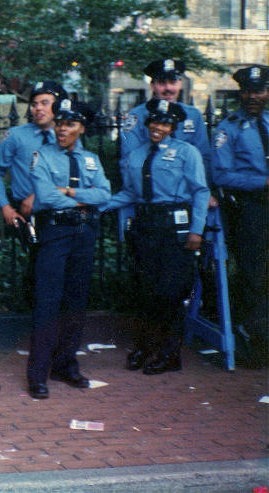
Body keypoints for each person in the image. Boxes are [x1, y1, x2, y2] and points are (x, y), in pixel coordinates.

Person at [107, 99, 208, 374]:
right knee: (145, 291)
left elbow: (200, 191)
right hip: (146, 225)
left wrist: (196, 230)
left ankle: (169, 353)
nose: (158, 128)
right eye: (154, 122)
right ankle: (145, 347)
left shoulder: (188, 153)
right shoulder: (137, 155)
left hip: (175, 226)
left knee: (170, 292)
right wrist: (99, 204)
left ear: (173, 126)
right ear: (148, 123)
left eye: (164, 123)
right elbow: (130, 192)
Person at [26, 98, 111, 399]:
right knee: (48, 302)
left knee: (75, 300)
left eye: (70, 124)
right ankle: (38, 373)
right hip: (56, 230)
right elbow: (46, 197)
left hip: (84, 232)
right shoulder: (43, 156)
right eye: (60, 122)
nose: (62, 128)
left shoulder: (91, 160)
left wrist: (73, 191)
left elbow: (105, 193)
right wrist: (80, 201)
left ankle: (66, 364)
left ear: (82, 128)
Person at [211, 64, 269, 368]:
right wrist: (263, 183)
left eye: (258, 91)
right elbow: (221, 175)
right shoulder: (227, 129)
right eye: (247, 91)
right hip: (251, 209)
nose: (252, 97)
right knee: (254, 276)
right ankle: (257, 344)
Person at [0, 81, 68, 305]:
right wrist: (5, 206)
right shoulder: (16, 136)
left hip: (59, 212)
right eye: (34, 104)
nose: (38, 109)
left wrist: (40, 195)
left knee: (57, 272)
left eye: (45, 103)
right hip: (28, 217)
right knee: (37, 270)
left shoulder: (67, 133)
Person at [120, 59, 211, 177]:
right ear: (153, 86)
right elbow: (129, 160)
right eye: (162, 82)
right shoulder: (137, 116)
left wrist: (202, 191)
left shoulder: (193, 115)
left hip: (189, 185)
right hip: (151, 183)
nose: (168, 88)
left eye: (173, 82)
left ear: (180, 83)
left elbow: (203, 157)